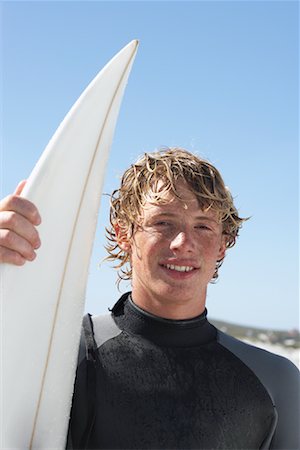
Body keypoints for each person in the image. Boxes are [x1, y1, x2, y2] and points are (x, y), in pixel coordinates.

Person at [0, 148, 299, 450]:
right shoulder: (59, 353)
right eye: (163, 222)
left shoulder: (275, 382)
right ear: (124, 233)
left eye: (203, 226)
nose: (183, 243)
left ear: (223, 244)